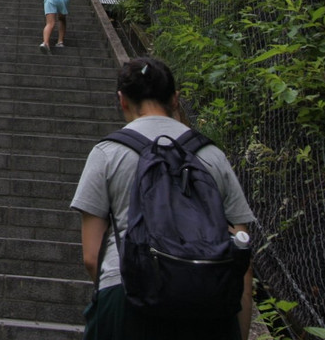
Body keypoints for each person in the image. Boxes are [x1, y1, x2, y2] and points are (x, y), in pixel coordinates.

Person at [71, 56, 256, 340]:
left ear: (122, 100)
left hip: (126, 297)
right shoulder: (212, 156)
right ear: (175, 98)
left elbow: (92, 258)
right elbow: (242, 261)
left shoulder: (107, 153)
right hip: (208, 304)